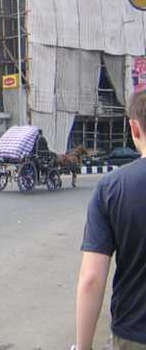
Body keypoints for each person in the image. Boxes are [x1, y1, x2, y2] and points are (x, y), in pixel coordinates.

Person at [73, 91, 146, 350]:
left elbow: (92, 278)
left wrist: (83, 347)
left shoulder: (112, 188)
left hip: (134, 334)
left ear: (134, 128)